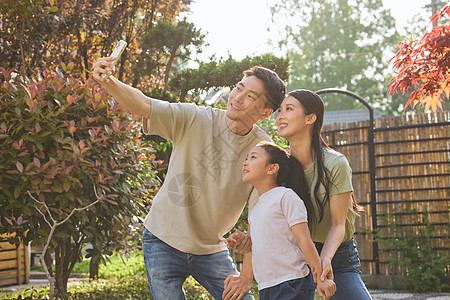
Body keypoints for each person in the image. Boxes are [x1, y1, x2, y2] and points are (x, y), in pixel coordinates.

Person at [92, 57, 286, 299]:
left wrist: (246, 269)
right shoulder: (196, 117)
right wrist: (108, 80)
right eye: (238, 88)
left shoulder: (263, 150)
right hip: (162, 238)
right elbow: (143, 105)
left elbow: (261, 215)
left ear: (266, 112)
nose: (237, 97)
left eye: (250, 96)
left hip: (211, 247)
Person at [275, 89, 372, 299]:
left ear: (310, 118)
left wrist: (325, 259)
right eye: (279, 110)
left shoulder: (335, 163)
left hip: (336, 255)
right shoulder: (280, 167)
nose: (280, 116)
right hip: (296, 255)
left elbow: (338, 224)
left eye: (288, 109)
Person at [225, 142, 336, 300]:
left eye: (253, 157)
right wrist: (242, 241)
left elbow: (304, 240)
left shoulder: (285, 197)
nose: (245, 162)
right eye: (246, 158)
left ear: (272, 168)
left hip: (292, 282)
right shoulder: (255, 208)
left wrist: (321, 280)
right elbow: (256, 246)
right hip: (266, 287)